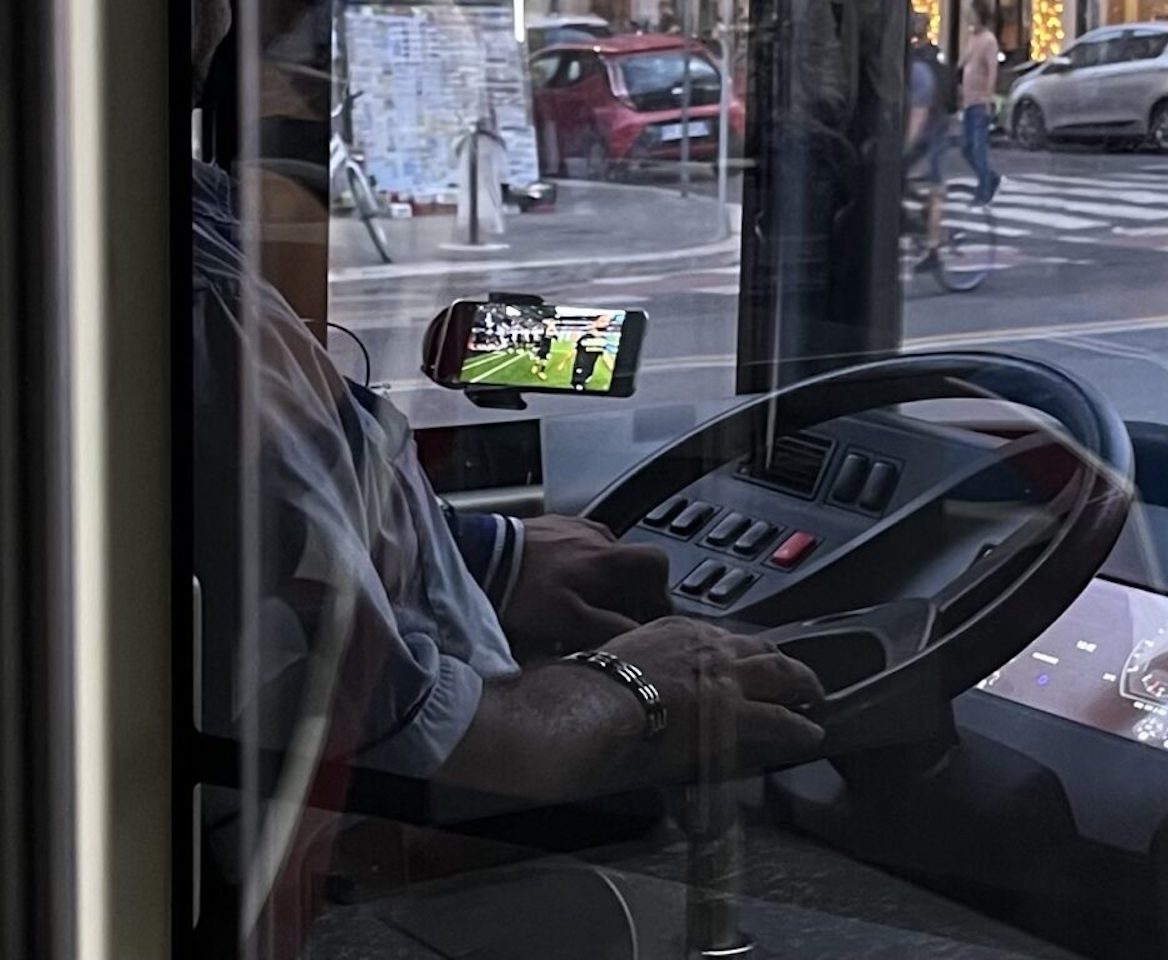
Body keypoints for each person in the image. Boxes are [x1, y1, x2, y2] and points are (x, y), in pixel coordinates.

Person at [192, 0, 823, 808]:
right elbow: (437, 752)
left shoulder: (196, 243)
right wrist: (638, 682)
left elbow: (287, 534)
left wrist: (489, 557)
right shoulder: (200, 309)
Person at [903, 11, 949, 272]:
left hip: (933, 131)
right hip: (935, 127)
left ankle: (934, 248)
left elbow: (919, 113)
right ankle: (922, 217)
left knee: (935, 188)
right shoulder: (929, 56)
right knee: (906, 179)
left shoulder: (919, 65)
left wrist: (904, 147)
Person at [958, 0, 1001, 204]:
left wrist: (987, 99)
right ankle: (990, 178)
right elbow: (967, 61)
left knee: (978, 149)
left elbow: (992, 71)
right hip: (968, 101)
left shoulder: (989, 40)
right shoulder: (972, 37)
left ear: (979, 14)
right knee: (966, 147)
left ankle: (984, 190)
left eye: (971, 13)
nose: (968, 16)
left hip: (979, 102)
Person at [571, 314, 613, 390]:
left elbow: (604, 355)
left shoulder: (601, 339)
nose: (606, 324)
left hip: (588, 369)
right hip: (581, 369)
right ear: (595, 322)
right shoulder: (587, 338)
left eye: (608, 322)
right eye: (603, 321)